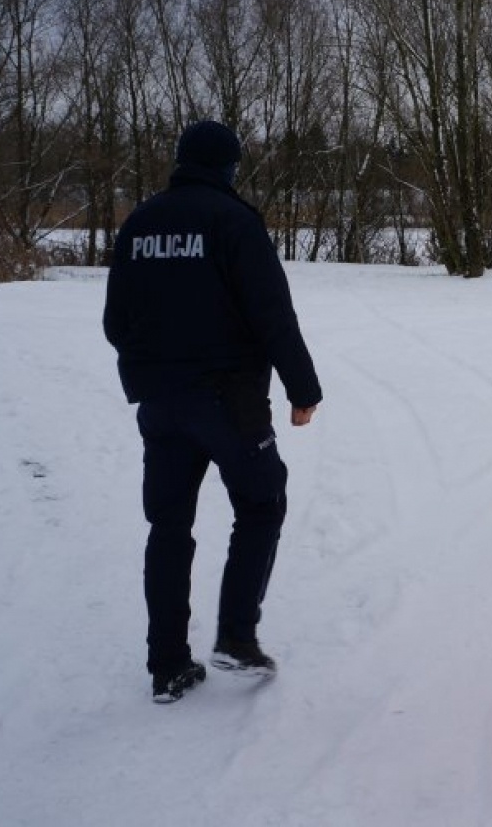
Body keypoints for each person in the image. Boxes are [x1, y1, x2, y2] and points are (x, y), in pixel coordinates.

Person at [103, 120, 323, 704]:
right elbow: (272, 314)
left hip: (161, 404)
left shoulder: (141, 224)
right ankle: (236, 636)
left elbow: (114, 323)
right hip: (230, 400)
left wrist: (155, 365)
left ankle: (167, 664)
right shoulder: (234, 221)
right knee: (262, 500)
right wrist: (304, 389)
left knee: (168, 525)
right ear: (229, 167)